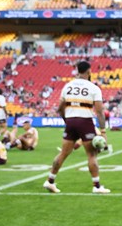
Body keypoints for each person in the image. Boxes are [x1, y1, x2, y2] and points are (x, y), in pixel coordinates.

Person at [43, 60, 110, 194]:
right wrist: (102, 131)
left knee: (63, 152)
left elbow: (60, 108)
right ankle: (97, 186)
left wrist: (67, 121)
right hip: (85, 121)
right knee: (92, 154)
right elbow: (100, 111)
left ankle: (50, 181)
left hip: (71, 121)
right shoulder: (93, 88)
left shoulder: (68, 86)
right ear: (89, 71)